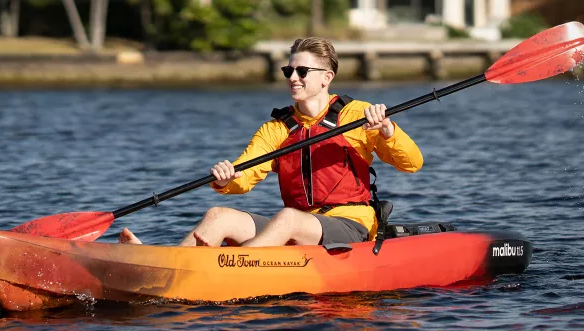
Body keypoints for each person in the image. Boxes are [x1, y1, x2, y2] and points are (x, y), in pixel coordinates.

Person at [118, 37, 423, 247]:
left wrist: (387, 131)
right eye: (288, 70)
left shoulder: (358, 115)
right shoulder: (277, 128)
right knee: (218, 215)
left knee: (288, 218)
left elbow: (412, 164)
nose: (293, 77)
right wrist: (226, 179)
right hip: (297, 224)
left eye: (302, 71)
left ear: (326, 78)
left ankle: (229, 267)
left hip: (351, 224)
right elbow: (245, 174)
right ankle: (165, 263)